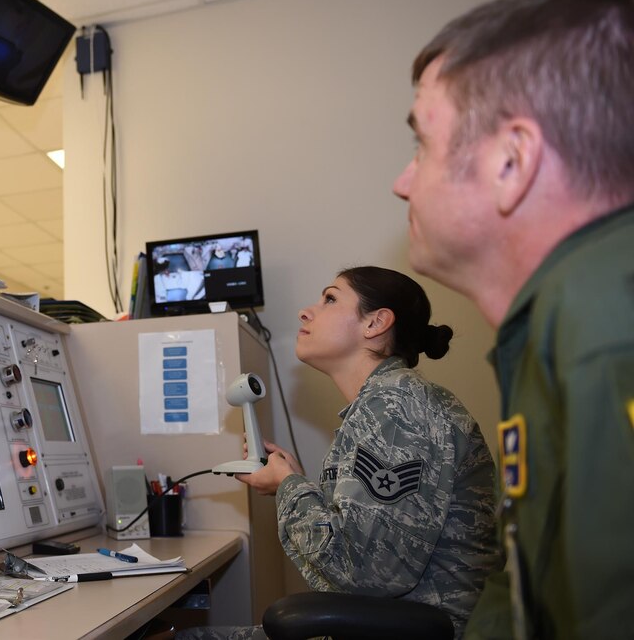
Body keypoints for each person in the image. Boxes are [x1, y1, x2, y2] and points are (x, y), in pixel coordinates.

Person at [392, 0, 634, 639]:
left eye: (422, 145)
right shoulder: (562, 318)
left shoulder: (605, 326)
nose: (402, 182)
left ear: (510, 162)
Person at [178, 267, 499, 640]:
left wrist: (288, 486)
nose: (305, 311)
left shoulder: (397, 407)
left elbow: (366, 573)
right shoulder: (385, 404)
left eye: (330, 299)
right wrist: (295, 481)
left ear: (375, 323)